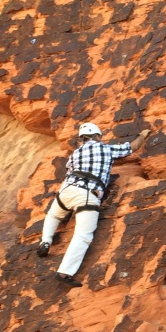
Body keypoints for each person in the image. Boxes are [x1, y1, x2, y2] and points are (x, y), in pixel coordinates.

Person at [38, 122, 150, 286]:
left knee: (53, 215)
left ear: (82, 138)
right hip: (87, 193)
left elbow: (69, 170)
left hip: (66, 191)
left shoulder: (75, 154)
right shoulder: (105, 149)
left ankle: (45, 241)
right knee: (83, 234)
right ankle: (65, 272)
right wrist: (143, 134)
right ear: (97, 136)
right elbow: (131, 147)